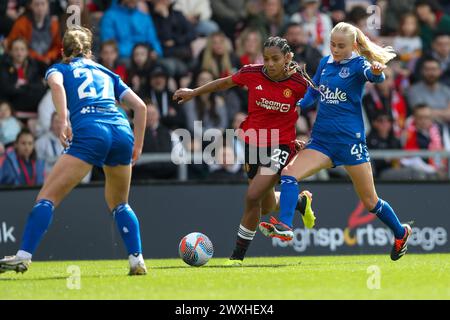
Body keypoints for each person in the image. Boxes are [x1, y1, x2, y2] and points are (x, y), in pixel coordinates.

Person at [0, 26, 148, 275]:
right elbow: (141, 107)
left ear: (62, 51)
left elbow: (57, 87)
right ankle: (137, 260)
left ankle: (23, 257)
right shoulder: (106, 72)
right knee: (119, 202)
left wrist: (64, 119)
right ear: (89, 51)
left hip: (91, 131)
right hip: (122, 131)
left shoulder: (59, 68)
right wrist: (138, 145)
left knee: (46, 197)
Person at [259, 22, 413, 261]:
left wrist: (375, 71)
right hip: (322, 140)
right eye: (332, 44)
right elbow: (314, 92)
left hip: (350, 143)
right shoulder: (324, 63)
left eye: (341, 46)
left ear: (353, 45)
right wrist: (298, 105)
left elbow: (377, 77)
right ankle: (286, 226)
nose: (336, 49)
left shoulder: (358, 64)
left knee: (371, 201)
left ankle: (401, 232)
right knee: (288, 174)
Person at [174, 36, 315, 265]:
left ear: (288, 58)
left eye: (275, 59)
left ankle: (236, 257)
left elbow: (317, 104)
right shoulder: (252, 72)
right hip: (252, 142)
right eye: (266, 58)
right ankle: (299, 202)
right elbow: (224, 83)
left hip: (280, 145)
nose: (269, 63)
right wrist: (193, 92)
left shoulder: (300, 84)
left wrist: (310, 139)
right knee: (266, 205)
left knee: (252, 197)